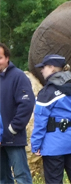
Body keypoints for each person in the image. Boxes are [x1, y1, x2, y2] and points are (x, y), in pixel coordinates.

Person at [31, 54, 71, 184]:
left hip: (54, 145)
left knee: (54, 181)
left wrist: (36, 145)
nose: (42, 70)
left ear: (52, 68)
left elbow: (40, 122)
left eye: (44, 67)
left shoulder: (47, 92)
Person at [0, 42, 35, 184]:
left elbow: (26, 104)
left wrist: (13, 128)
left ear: (7, 58)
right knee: (2, 178)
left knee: (21, 177)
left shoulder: (18, 76)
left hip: (13, 138)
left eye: (0, 57)